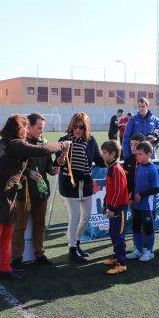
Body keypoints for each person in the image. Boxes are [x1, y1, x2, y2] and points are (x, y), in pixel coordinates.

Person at [0, 115, 70, 286]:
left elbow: (8, 167)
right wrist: (62, 145)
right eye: (25, 127)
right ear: (18, 128)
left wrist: (22, 175)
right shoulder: (15, 144)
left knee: (6, 235)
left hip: (7, 194)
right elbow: (41, 150)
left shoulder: (4, 143)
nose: (27, 130)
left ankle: (5, 268)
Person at [11, 113, 60, 271]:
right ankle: (17, 258)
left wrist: (54, 169)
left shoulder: (44, 143)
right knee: (20, 226)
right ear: (29, 126)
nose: (41, 131)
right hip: (23, 193)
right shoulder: (21, 144)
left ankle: (40, 254)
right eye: (39, 128)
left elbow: (49, 168)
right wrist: (28, 173)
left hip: (41, 191)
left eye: (43, 128)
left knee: (40, 225)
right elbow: (13, 167)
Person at [56, 112, 106, 263]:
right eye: (76, 126)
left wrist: (113, 157)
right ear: (71, 126)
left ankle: (76, 243)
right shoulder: (63, 140)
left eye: (82, 127)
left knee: (86, 217)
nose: (78, 130)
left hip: (86, 184)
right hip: (68, 184)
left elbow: (99, 160)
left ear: (86, 128)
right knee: (75, 216)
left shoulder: (91, 141)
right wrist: (62, 157)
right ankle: (72, 250)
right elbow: (57, 163)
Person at [126, 141, 159, 261]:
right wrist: (131, 197)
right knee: (135, 227)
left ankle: (150, 252)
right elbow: (135, 184)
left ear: (149, 154)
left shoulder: (153, 169)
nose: (137, 156)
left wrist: (141, 194)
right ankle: (139, 250)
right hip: (136, 205)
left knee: (148, 228)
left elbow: (156, 188)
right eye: (137, 154)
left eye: (140, 154)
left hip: (147, 206)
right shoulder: (138, 167)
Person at [100, 140, 130, 275]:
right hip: (113, 207)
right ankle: (116, 257)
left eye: (105, 153)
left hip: (119, 209)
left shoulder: (117, 169)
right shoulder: (110, 168)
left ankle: (122, 264)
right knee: (113, 233)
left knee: (118, 236)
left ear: (113, 154)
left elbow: (119, 191)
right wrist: (105, 205)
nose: (102, 155)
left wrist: (111, 208)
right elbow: (110, 190)